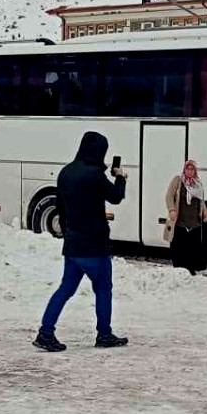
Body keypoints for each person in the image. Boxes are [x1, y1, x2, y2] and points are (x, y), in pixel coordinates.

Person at [34, 132, 129, 352]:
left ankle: (46, 332)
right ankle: (104, 334)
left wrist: (69, 234)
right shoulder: (95, 175)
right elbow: (115, 196)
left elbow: (61, 207)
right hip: (95, 245)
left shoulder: (65, 172)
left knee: (65, 289)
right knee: (104, 289)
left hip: (73, 245)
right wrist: (120, 177)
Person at [163, 160, 207, 275]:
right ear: (184, 169)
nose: (190, 171)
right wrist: (171, 209)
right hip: (180, 223)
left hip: (195, 224)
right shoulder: (178, 181)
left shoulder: (198, 184)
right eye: (188, 169)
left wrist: (205, 214)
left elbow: (201, 201)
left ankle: (190, 270)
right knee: (178, 248)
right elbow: (169, 196)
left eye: (192, 169)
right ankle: (178, 270)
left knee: (192, 249)